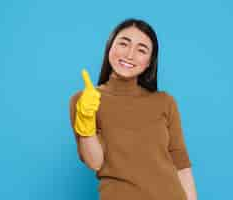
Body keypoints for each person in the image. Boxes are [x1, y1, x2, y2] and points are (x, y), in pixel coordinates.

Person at [69, 18, 197, 200]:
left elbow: (181, 165)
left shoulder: (165, 102)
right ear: (110, 47)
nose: (130, 54)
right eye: (124, 43)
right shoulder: (84, 100)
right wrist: (86, 120)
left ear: (149, 62)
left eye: (141, 50)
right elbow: (95, 163)